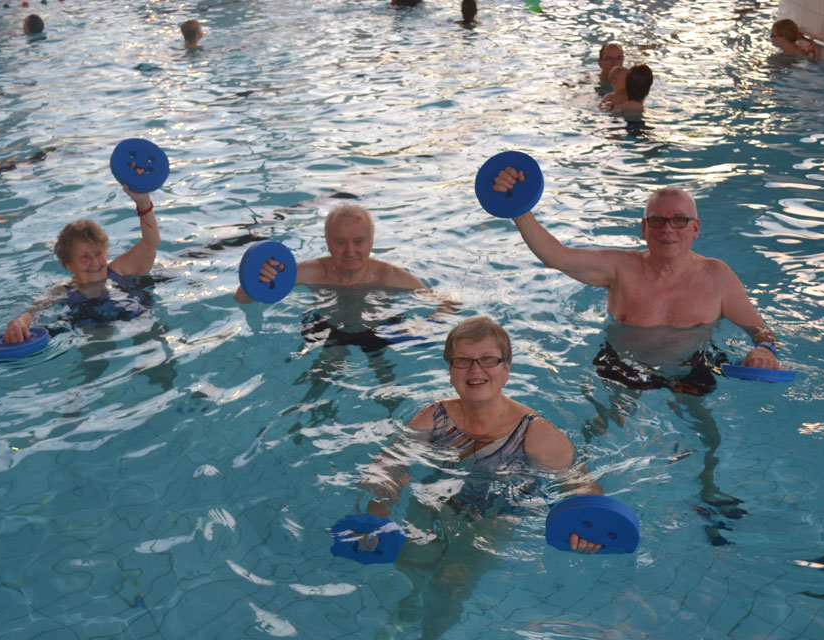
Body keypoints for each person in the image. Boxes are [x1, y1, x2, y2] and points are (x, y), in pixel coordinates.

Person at [361, 316, 604, 552]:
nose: (475, 369)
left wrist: (588, 530)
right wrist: (378, 509)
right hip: (439, 497)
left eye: (488, 359)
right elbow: (389, 464)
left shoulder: (537, 434)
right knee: (410, 561)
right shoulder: (434, 417)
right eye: (463, 360)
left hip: (499, 515)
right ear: (451, 370)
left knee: (453, 583)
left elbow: (583, 488)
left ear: (506, 369)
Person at [489, 180, 781, 370]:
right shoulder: (620, 268)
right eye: (657, 220)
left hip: (692, 366)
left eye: (679, 220)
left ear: (695, 229)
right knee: (603, 428)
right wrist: (518, 208)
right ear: (643, 229)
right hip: (622, 363)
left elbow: (761, 331)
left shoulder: (717, 276)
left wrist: (765, 350)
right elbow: (556, 256)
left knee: (706, 440)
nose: (667, 229)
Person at [1, 185, 162, 343]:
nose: (95, 262)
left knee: (149, 345)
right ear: (68, 263)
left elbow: (151, 243)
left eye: (99, 253)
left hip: (139, 321)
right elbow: (34, 310)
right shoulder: (62, 290)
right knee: (94, 357)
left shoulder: (118, 270)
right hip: (92, 331)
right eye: (85, 257)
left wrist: (143, 204)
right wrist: (20, 322)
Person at [234, 203, 426, 303]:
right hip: (325, 325)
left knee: (383, 370)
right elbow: (242, 298)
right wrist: (261, 279)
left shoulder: (388, 276)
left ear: (371, 241)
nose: (350, 251)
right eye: (340, 242)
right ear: (327, 241)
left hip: (376, 325)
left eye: (358, 242)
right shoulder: (309, 272)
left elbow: (446, 304)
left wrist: (423, 324)